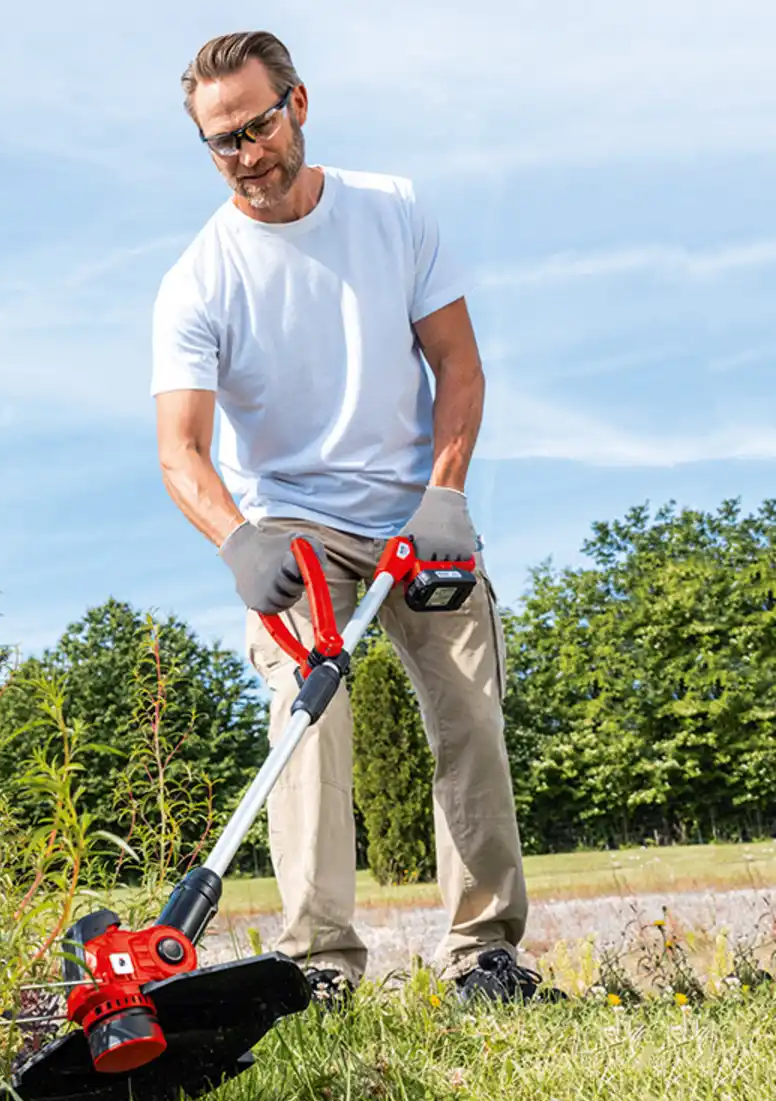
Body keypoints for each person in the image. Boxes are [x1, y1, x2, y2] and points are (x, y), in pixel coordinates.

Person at [151, 30, 550, 1005]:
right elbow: (182, 451)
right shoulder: (198, 281)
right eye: (222, 141)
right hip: (296, 533)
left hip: (421, 513)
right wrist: (240, 541)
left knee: (469, 715)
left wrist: (447, 494)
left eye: (257, 125)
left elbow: (458, 365)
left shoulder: (393, 212)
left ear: (298, 104)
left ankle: (483, 957)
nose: (247, 155)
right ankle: (319, 967)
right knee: (306, 714)